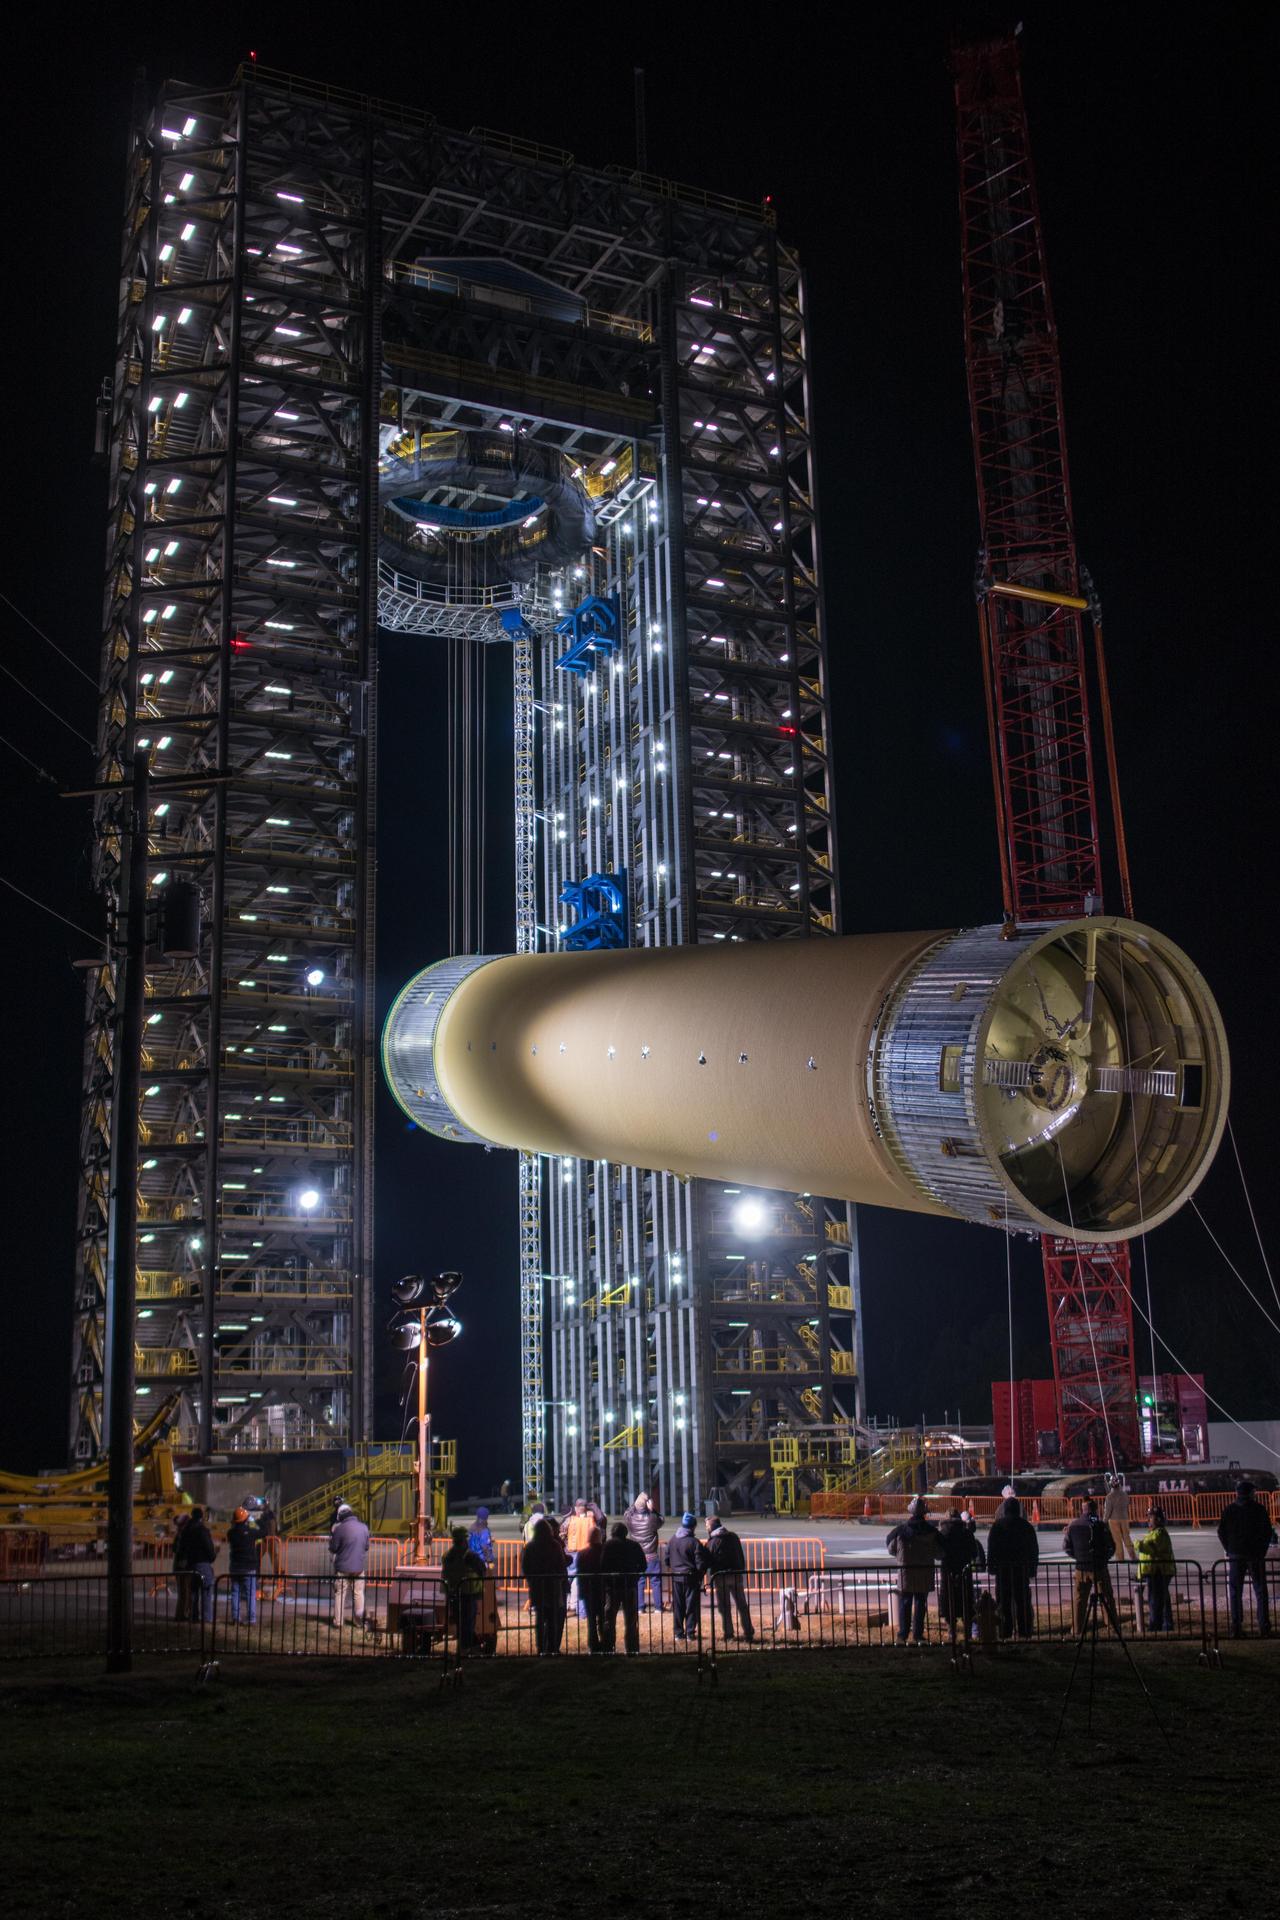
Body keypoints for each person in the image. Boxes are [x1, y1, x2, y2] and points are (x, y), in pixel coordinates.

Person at [1216, 1478, 1276, 1637]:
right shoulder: (1259, 1509)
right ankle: (1263, 1625)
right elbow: (1267, 1532)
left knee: (1235, 1591)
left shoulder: (1229, 1510)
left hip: (1235, 1554)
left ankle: (1236, 1626)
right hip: (1255, 1554)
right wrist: (1261, 1550)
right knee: (1260, 1589)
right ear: (1251, 1493)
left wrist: (1229, 1549)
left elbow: (1221, 1532)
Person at [886, 1496, 944, 1645]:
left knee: (905, 1603)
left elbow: (892, 1549)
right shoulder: (932, 1532)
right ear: (925, 1513)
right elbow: (939, 1552)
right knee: (920, 1603)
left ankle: (902, 1635)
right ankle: (918, 1635)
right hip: (924, 1572)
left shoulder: (900, 1531)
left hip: (906, 1573)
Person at [1062, 1498, 1120, 1634]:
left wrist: (1078, 1557)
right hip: (1099, 1567)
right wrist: (1105, 1558)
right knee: (1106, 1598)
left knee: (1079, 1601)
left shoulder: (1073, 1525)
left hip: (1080, 1568)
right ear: (1095, 1510)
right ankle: (1112, 1627)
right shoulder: (1101, 1525)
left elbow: (1066, 1547)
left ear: (1082, 1510)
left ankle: (1077, 1629)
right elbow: (1112, 1546)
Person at [986, 1495, 1039, 1640]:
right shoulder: (1026, 1526)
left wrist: (991, 1567)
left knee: (1003, 1603)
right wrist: (1032, 1568)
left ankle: (1005, 1631)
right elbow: (1034, 1549)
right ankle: (1024, 1631)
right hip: (1021, 1570)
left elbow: (992, 1548)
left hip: (1003, 1571)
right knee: (1022, 1603)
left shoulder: (998, 1526)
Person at [522, 1513, 569, 1655]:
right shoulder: (554, 1546)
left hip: (537, 1587)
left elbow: (526, 1567)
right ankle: (552, 1647)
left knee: (540, 1619)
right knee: (553, 1619)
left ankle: (541, 1648)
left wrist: (531, 1580)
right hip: (553, 1586)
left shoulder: (530, 1547)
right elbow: (561, 1565)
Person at [703, 1514, 755, 1642]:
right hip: (736, 1575)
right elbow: (740, 1555)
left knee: (724, 1607)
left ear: (711, 1527)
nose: (706, 1528)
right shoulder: (733, 1537)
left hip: (721, 1577)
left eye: (706, 1526)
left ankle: (729, 1634)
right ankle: (748, 1632)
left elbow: (707, 1560)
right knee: (742, 1605)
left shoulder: (713, 1542)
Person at [938, 1506, 986, 1640]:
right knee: (966, 1602)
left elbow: (938, 1553)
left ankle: (951, 1632)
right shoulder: (966, 1533)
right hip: (964, 1571)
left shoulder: (942, 1533)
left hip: (947, 1572)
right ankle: (968, 1634)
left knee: (949, 1602)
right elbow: (973, 1553)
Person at [600, 1522, 645, 1654]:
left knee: (609, 1619)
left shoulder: (608, 1546)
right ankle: (632, 1649)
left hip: (612, 1587)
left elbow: (602, 1565)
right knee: (631, 1620)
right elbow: (643, 1565)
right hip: (629, 1585)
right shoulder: (634, 1545)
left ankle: (608, 1647)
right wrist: (635, 1575)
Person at [441, 1525, 486, 1653]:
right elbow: (482, 1569)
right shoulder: (470, 1556)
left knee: (461, 1624)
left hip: (453, 1594)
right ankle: (466, 1649)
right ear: (464, 1540)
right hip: (469, 1594)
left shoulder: (447, 1556)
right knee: (468, 1623)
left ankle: (463, 1648)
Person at [328, 1501, 371, 1631]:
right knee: (358, 1594)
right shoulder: (364, 1527)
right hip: (358, 1567)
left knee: (340, 1594)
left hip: (342, 1568)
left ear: (341, 1515)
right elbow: (366, 1547)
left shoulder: (339, 1528)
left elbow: (334, 1548)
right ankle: (359, 1622)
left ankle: (338, 1622)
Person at [623, 1490, 665, 1612]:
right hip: (651, 1555)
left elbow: (627, 1513)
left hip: (637, 1556)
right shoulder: (652, 1518)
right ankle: (658, 1607)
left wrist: (635, 1505)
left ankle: (640, 1607)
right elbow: (661, 1520)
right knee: (656, 1582)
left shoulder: (630, 1518)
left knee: (639, 1582)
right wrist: (653, 1510)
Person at [1137, 1505, 1176, 1633]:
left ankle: (1157, 1625)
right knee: (1160, 1600)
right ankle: (1163, 1624)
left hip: (1159, 1572)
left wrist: (1138, 1545)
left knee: (1156, 1601)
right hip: (1155, 1571)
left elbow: (1151, 1549)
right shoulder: (1154, 1533)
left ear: (1158, 1519)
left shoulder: (1160, 1533)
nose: (1148, 1520)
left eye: (1151, 1517)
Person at [666, 1512, 704, 1643]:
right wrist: (700, 1576)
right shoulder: (694, 1542)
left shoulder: (672, 1540)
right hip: (690, 1578)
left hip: (676, 1578)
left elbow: (666, 1559)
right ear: (692, 1527)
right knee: (691, 1606)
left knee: (678, 1606)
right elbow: (700, 1563)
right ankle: (690, 1632)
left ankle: (678, 1632)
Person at [562, 1498, 597, 1618]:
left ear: (576, 1508)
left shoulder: (569, 1520)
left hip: (571, 1553)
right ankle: (582, 1612)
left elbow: (561, 1534)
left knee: (566, 1582)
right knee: (581, 1584)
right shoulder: (591, 1520)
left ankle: (564, 1608)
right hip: (585, 1555)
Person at [182, 1507, 217, 1625]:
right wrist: (212, 1556)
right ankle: (206, 1618)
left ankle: (194, 1617)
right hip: (203, 1564)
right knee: (206, 1591)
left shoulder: (186, 1530)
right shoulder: (202, 1530)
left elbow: (182, 1548)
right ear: (201, 1517)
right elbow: (209, 1548)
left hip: (190, 1564)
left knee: (193, 1592)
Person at [576, 1524, 607, 1652]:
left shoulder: (582, 1553)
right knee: (603, 1618)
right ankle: (606, 1643)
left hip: (588, 1590)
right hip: (603, 1589)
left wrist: (581, 1591)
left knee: (591, 1620)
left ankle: (593, 1645)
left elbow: (580, 1573)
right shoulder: (605, 1552)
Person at [226, 1506, 259, 1626]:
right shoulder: (250, 1532)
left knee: (235, 1592)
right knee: (250, 1593)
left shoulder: (231, 1533)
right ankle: (251, 1619)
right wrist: (252, 1521)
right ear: (245, 1519)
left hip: (235, 1566)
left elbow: (233, 1529)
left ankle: (235, 1618)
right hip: (249, 1567)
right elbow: (261, 1531)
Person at [1103, 1475, 1135, 1561]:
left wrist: (1104, 1521)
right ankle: (1133, 1556)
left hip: (1113, 1520)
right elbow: (1128, 1503)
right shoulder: (1125, 1495)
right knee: (1127, 1538)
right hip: (1124, 1519)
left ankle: (1120, 1558)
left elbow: (1108, 1511)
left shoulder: (1109, 1497)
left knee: (1117, 1540)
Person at [171, 1513, 193, 1621]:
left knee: (184, 1592)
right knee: (185, 1592)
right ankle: (182, 1615)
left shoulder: (180, 1535)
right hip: (183, 1567)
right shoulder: (183, 1535)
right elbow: (179, 1550)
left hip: (180, 1566)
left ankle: (183, 1614)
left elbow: (175, 1549)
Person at [468, 1507, 496, 1571]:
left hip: (471, 1558)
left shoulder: (472, 1527)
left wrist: (490, 1539)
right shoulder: (484, 1530)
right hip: (481, 1561)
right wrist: (489, 1561)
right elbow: (484, 1546)